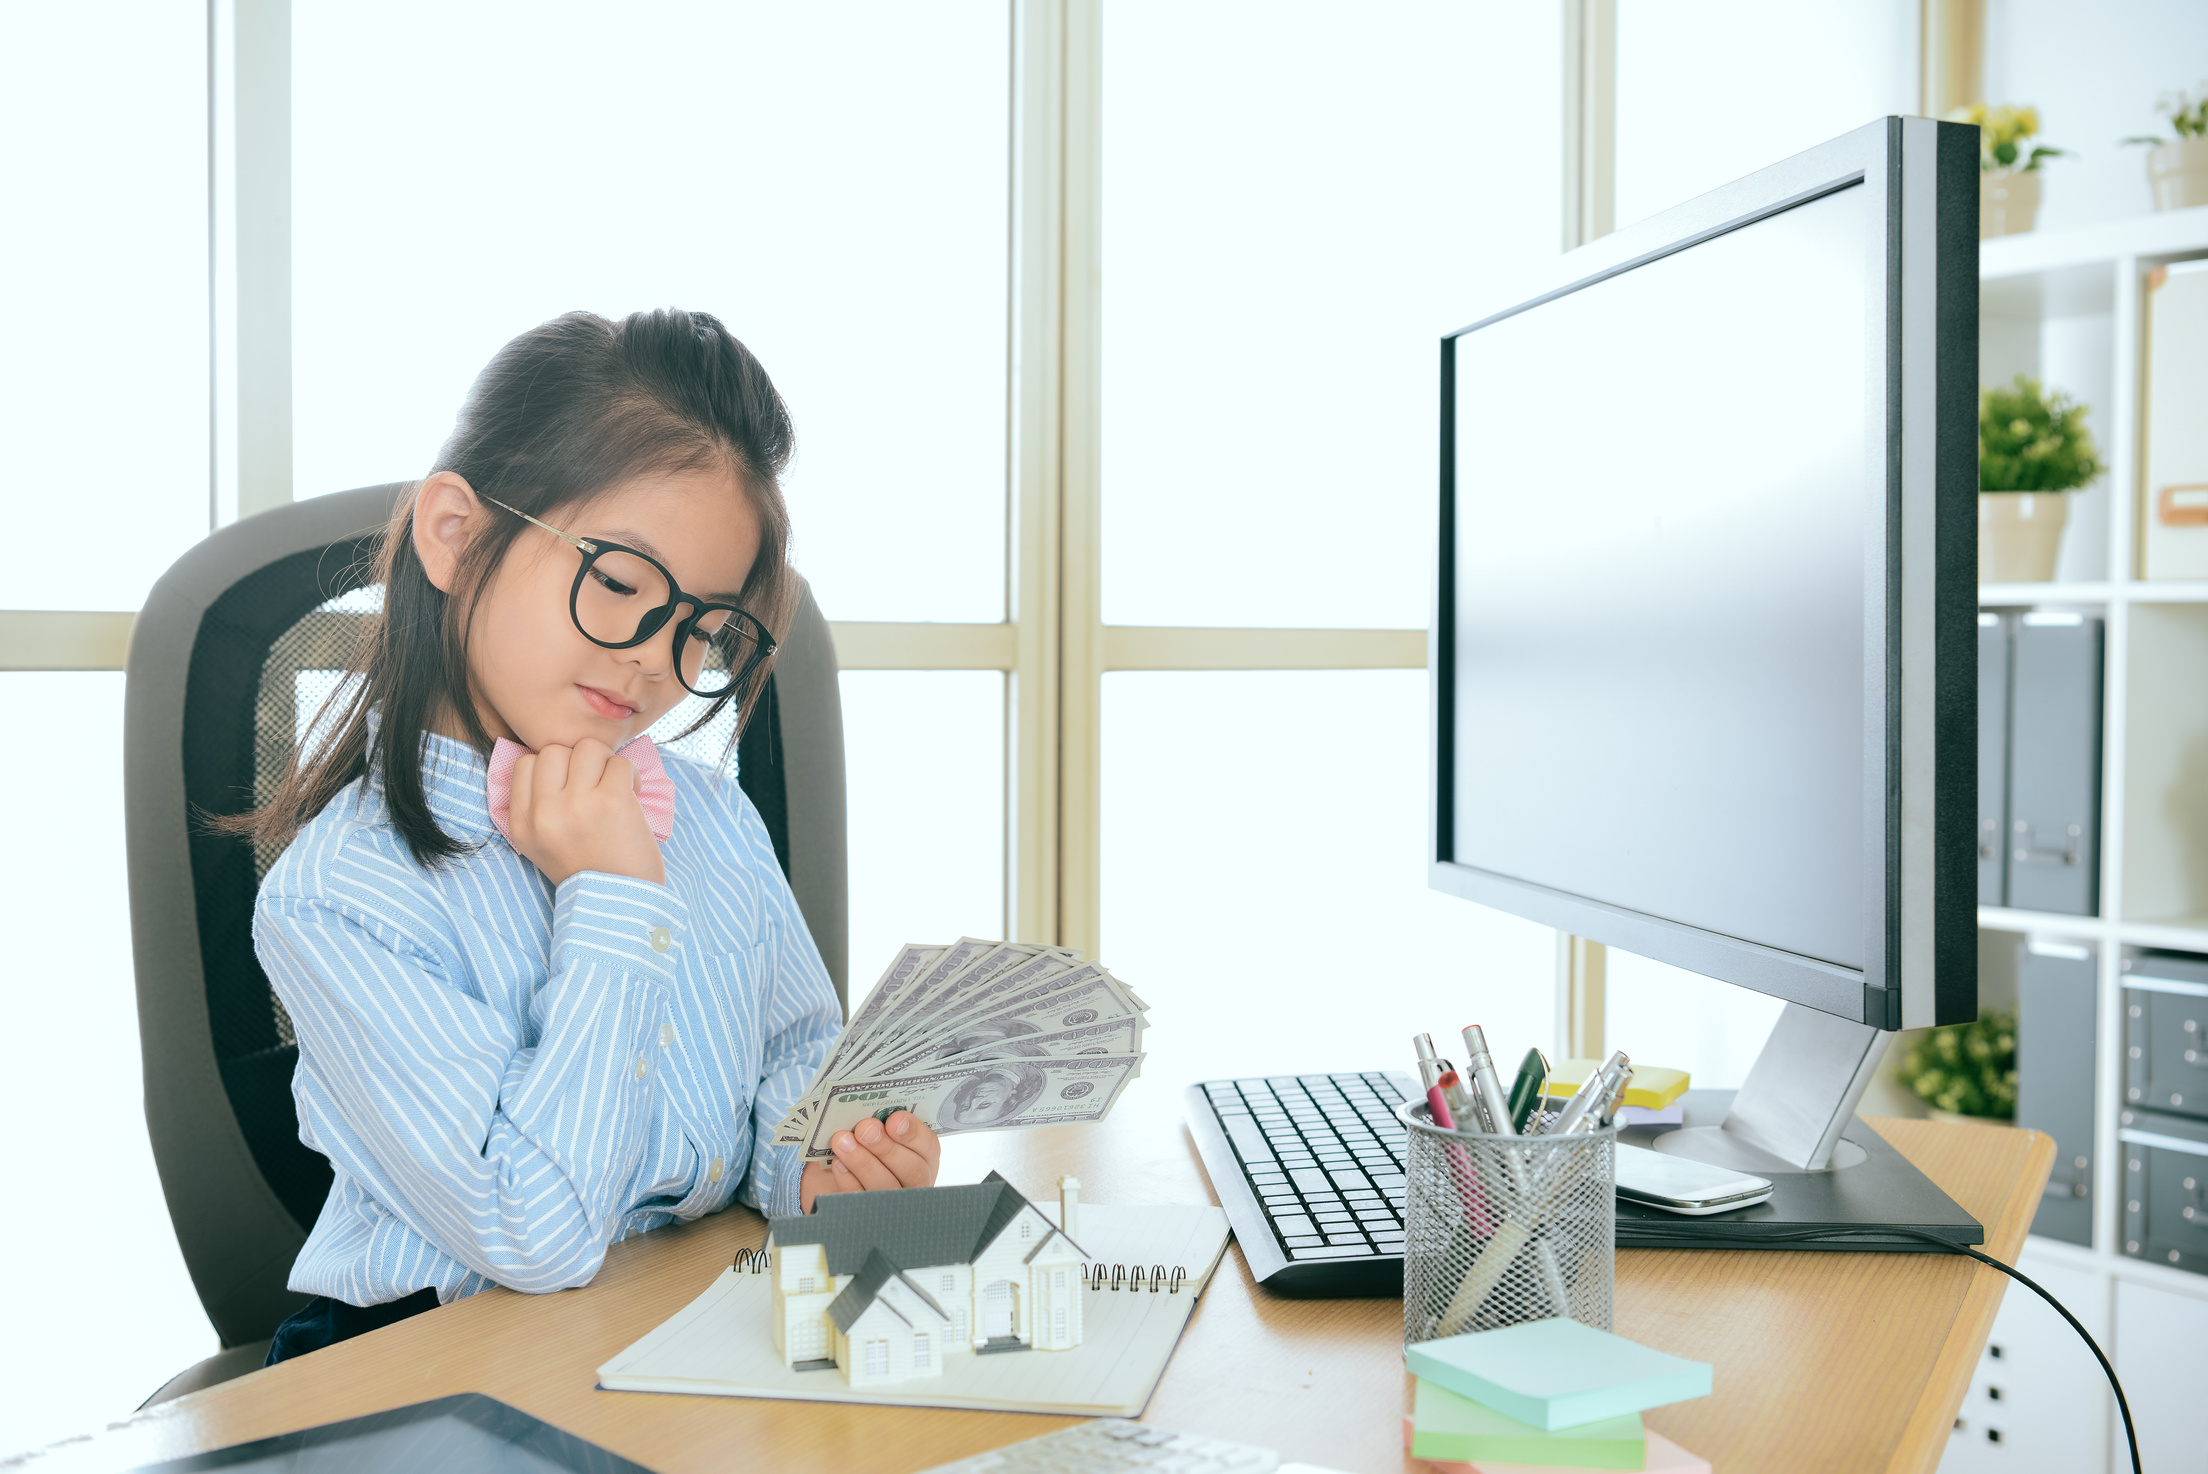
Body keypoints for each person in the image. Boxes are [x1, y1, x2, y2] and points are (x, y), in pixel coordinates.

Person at [240, 309, 938, 1365]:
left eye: (703, 629)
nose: (654, 659)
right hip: (432, 1362)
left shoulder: (710, 816)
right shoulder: (338, 895)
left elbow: (794, 1054)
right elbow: (536, 1230)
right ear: (455, 534)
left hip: (683, 1319)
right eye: (618, 584)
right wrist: (613, 898)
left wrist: (814, 1166)